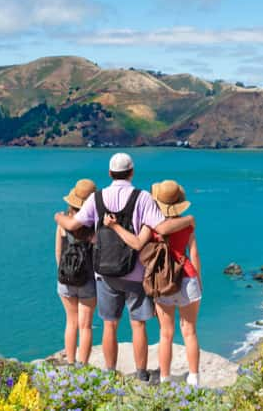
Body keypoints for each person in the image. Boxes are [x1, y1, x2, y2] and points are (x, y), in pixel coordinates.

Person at [54, 153, 194, 382]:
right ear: (132, 172)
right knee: (138, 324)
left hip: (104, 272)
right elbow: (163, 227)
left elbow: (72, 224)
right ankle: (141, 373)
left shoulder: (97, 198)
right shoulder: (143, 197)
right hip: (135, 271)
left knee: (110, 324)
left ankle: (110, 371)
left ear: (109, 173)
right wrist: (189, 221)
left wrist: (58, 217)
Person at [104, 180, 201, 386]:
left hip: (161, 282)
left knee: (165, 333)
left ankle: (165, 378)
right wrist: (198, 281)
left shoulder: (151, 227)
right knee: (190, 331)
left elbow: (139, 247)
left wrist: (115, 226)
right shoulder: (187, 225)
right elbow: (194, 255)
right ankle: (194, 378)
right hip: (187, 277)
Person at [55, 179, 97, 365]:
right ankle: (83, 365)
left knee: (71, 323)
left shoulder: (63, 222)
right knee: (85, 325)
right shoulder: (94, 224)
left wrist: (65, 272)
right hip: (88, 279)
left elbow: (58, 252)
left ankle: (70, 362)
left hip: (66, 279)